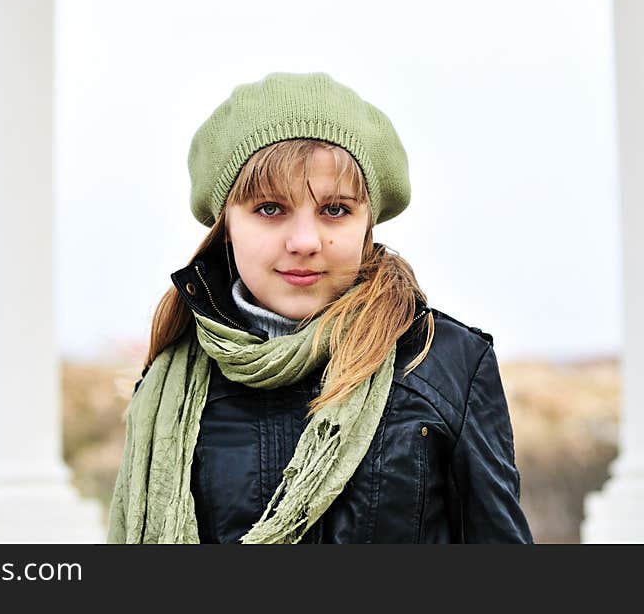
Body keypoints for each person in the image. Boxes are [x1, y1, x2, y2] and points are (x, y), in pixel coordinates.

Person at [107, 72, 533, 544]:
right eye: (270, 209)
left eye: (334, 210)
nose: (305, 242)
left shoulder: (447, 364)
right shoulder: (172, 387)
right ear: (226, 224)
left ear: (368, 220)